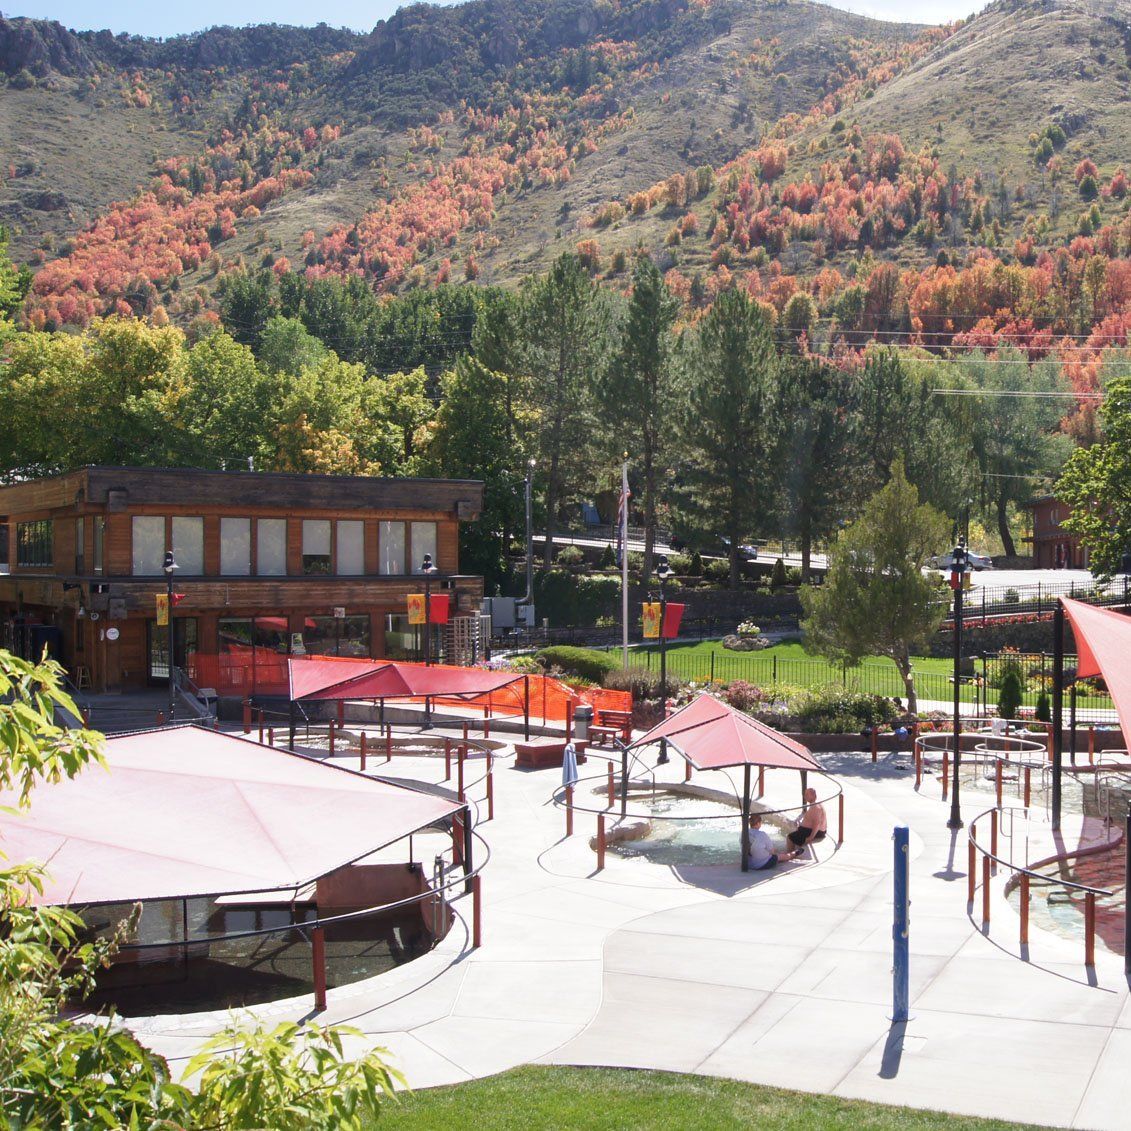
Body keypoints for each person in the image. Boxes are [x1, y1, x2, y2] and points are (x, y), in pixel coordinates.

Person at [787, 787, 827, 856]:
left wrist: (810, 837)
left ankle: (790, 855)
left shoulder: (815, 807)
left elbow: (817, 823)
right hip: (814, 831)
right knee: (796, 831)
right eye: (805, 794)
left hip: (817, 832)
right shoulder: (816, 804)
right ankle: (793, 851)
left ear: (814, 795)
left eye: (807, 794)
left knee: (790, 837)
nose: (805, 796)